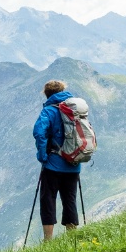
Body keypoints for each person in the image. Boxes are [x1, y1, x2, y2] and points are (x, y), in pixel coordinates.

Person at [33, 79, 81, 240]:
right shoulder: (75, 109)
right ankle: (72, 238)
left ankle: (48, 240)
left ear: (47, 95)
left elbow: (39, 133)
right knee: (70, 200)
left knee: (48, 200)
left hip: (53, 165)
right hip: (73, 164)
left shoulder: (48, 111)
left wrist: (42, 156)